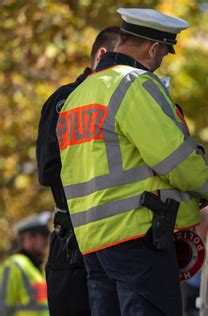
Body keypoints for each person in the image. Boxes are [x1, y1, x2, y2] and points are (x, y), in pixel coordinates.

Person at [57, 8, 208, 316]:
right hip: (137, 239)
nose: (160, 62)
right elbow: (174, 159)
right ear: (153, 48)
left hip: (93, 245)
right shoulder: (134, 84)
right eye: (163, 54)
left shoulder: (77, 97)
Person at [35, 26, 120, 316]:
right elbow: (48, 169)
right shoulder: (67, 99)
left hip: (118, 238)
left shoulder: (126, 99)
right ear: (102, 55)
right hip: (73, 241)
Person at [0, 212, 51, 316]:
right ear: (28, 238)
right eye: (43, 235)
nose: (46, 240)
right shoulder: (14, 265)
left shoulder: (35, 267)